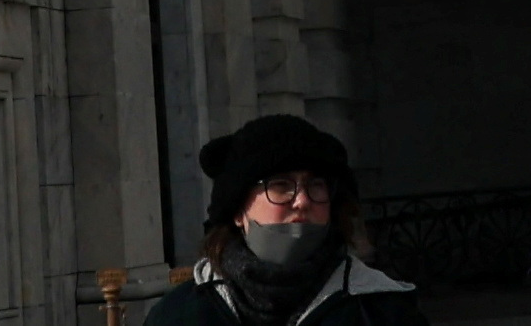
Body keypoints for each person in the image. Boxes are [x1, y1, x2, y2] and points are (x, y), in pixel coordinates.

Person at [140, 114, 411, 326]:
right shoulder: (180, 315)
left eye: (316, 185)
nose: (302, 200)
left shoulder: (381, 310)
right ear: (237, 210)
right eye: (281, 186)